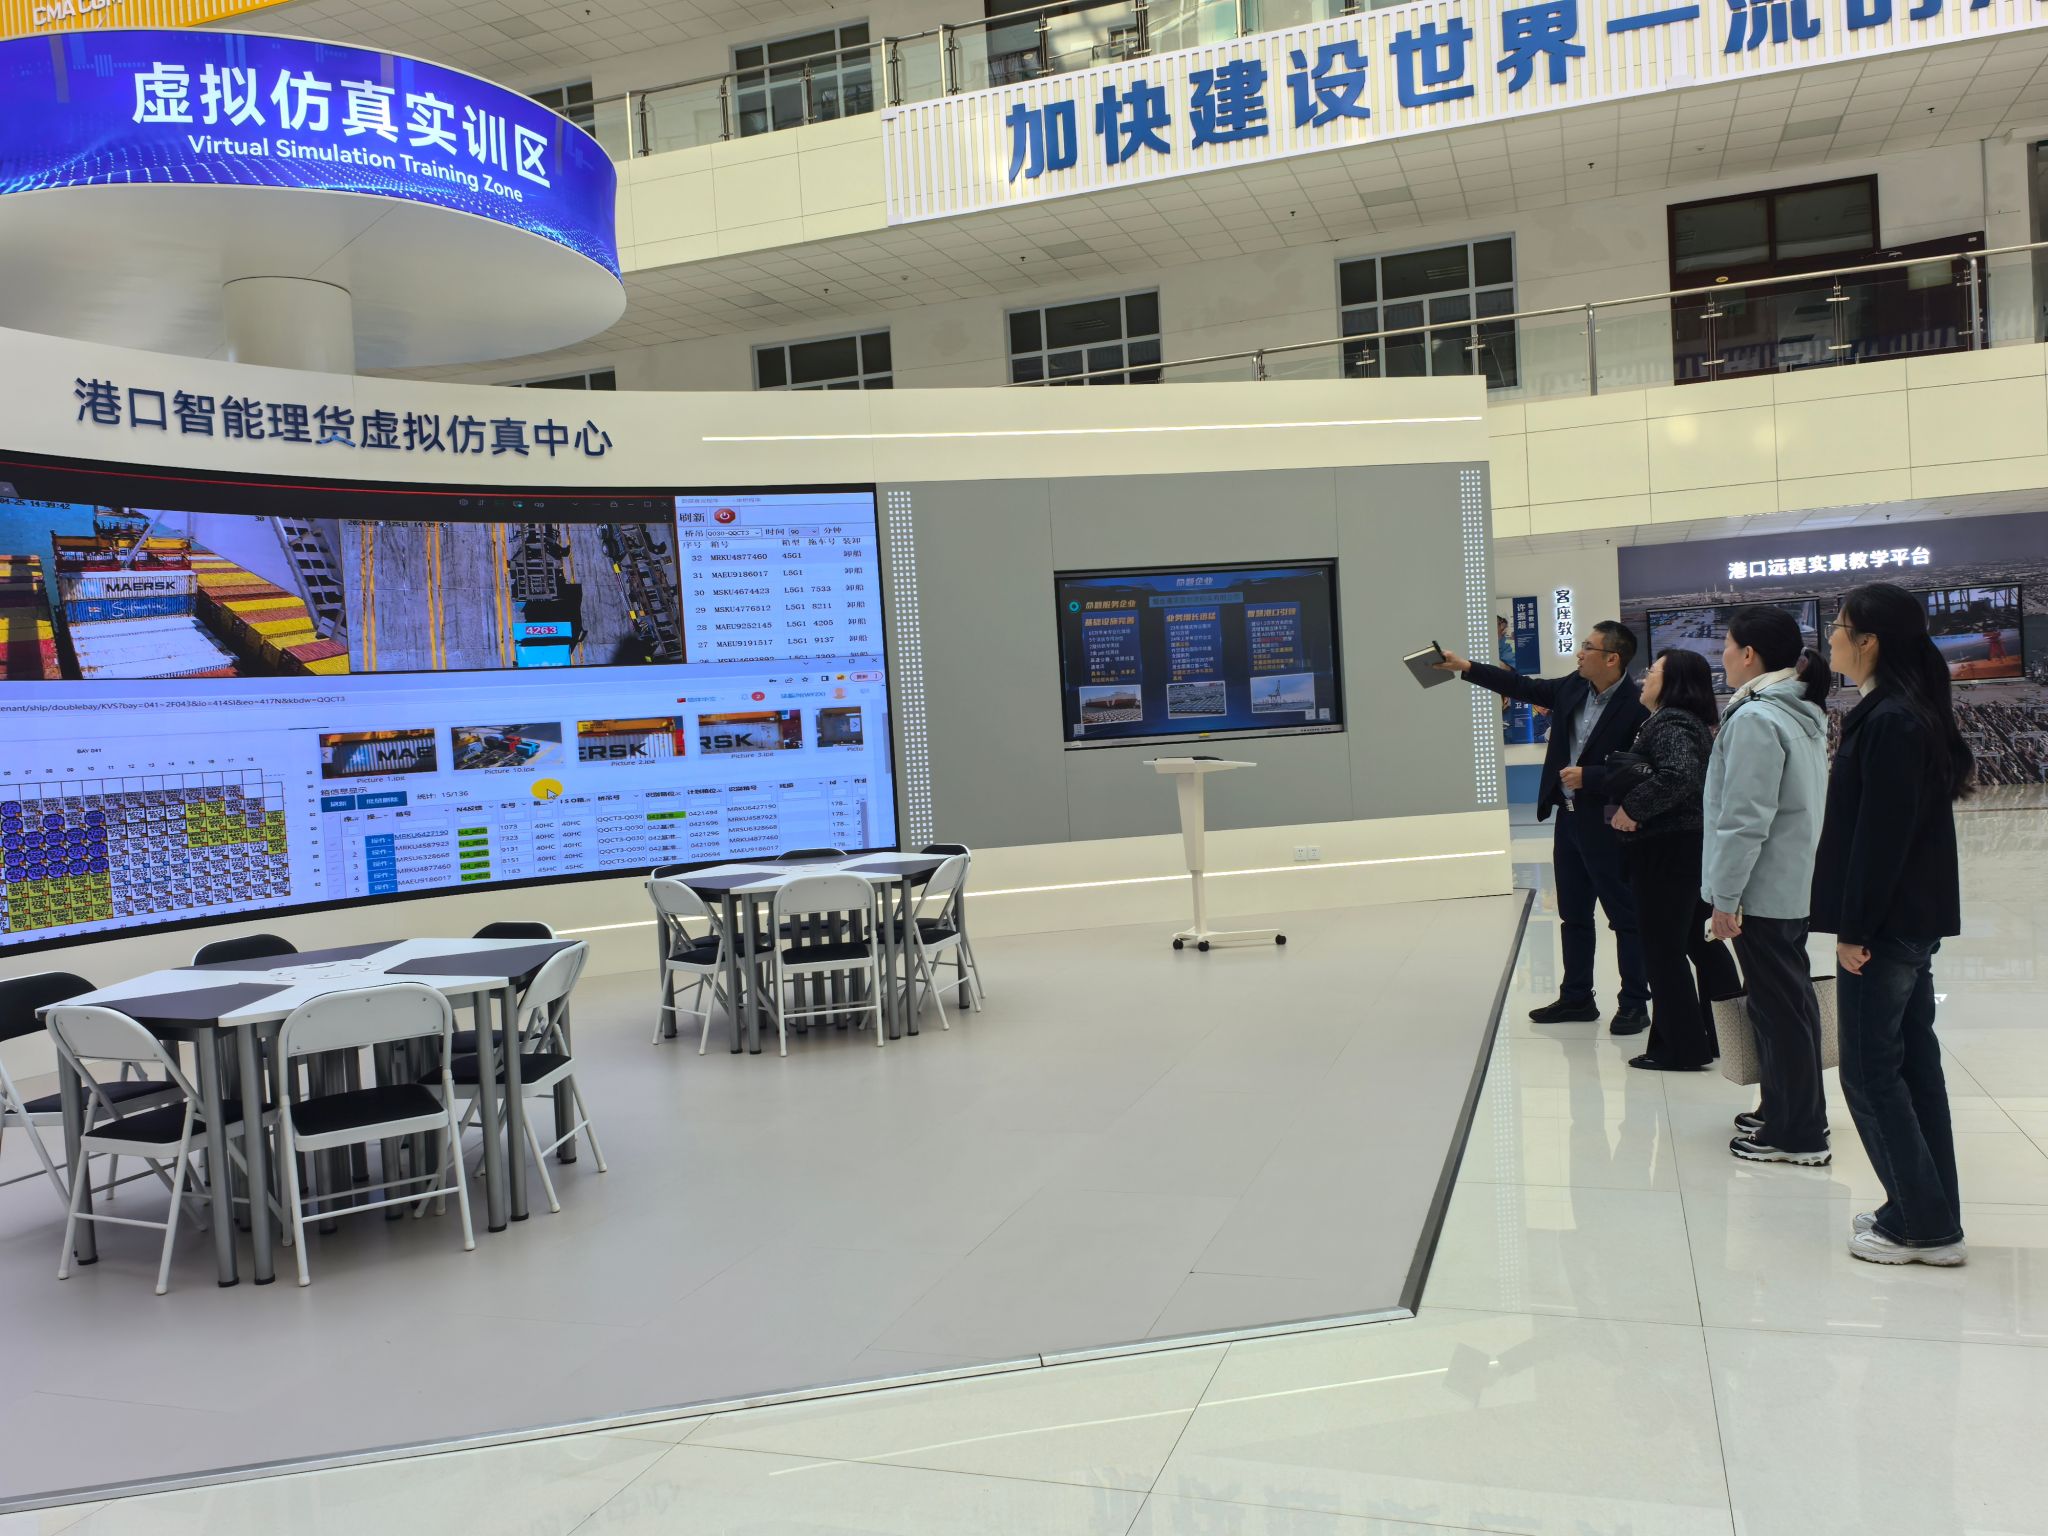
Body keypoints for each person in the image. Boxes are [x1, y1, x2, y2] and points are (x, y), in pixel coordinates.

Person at [1813, 582, 1971, 1266]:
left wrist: (1854, 930)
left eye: (1839, 626)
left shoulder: (1892, 720)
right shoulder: (1900, 711)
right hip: (1905, 921)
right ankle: (1928, 1209)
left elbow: (1881, 840)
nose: (1831, 637)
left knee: (1871, 1073)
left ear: (1868, 641)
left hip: (1886, 926)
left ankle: (1921, 1227)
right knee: (1911, 1066)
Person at [1437, 621, 1651, 1033]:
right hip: (1568, 819)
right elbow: (1521, 686)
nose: (1579, 653)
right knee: (1573, 914)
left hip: (1609, 822)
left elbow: (1643, 769)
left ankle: (1634, 1003)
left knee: (1625, 917)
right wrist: (1465, 667)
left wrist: (1592, 776)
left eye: (1587, 647)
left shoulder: (1636, 705)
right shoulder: (1573, 686)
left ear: (1612, 658)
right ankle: (1576, 998)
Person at [1702, 608, 1831, 1164]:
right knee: (1785, 1005)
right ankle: (1786, 1109)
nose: (1723, 656)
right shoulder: (1795, 709)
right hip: (1789, 883)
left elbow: (1744, 819)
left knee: (1780, 1012)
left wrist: (1725, 898)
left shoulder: (1756, 717)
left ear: (1749, 654)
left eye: (1727, 646)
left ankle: (1798, 1134)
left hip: (1761, 889)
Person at [1607, 648, 1741, 1071]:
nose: (1645, 677)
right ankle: (1723, 1035)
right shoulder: (1687, 721)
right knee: (1700, 944)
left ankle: (1680, 1048)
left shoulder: (1671, 723)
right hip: (1688, 846)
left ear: (1674, 681)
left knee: (1663, 950)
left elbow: (1678, 775)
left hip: (1667, 849)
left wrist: (1632, 809)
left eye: (1654, 671)